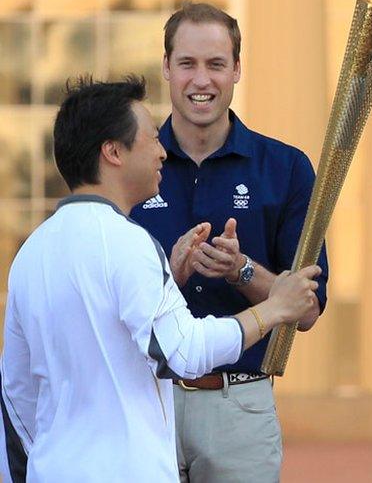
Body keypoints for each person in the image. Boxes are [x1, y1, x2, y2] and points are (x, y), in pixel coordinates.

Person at [0, 77, 321, 482]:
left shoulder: (30, 253)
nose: (162, 152)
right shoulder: (129, 242)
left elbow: (15, 397)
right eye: (151, 139)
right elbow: (182, 352)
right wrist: (273, 309)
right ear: (113, 152)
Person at [128, 3, 328, 482]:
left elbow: (308, 310)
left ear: (237, 69)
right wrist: (169, 276)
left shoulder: (286, 168)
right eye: (188, 64)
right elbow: (108, 297)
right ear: (166, 68)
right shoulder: (129, 166)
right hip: (144, 402)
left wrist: (242, 271)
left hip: (239, 403)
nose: (202, 80)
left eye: (216, 64)